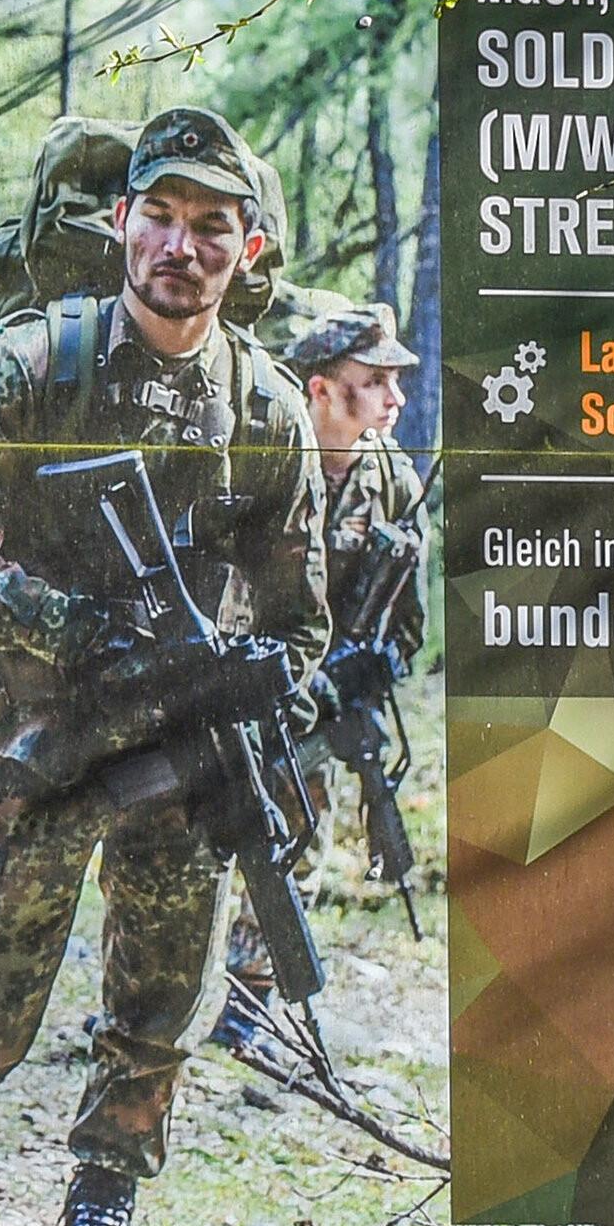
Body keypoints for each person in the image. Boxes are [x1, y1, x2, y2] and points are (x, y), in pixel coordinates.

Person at [0, 106, 322, 1226]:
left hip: (184, 758)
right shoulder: (26, 371)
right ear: (121, 224)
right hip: (45, 738)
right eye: (160, 218)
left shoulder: (270, 412)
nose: (181, 246)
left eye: (210, 227)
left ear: (248, 248)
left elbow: (300, 620)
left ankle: (106, 1185)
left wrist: (270, 691)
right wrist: (78, 632)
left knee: (162, 988)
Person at [214, 296, 423, 1068]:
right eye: (375, 381)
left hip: (320, 703)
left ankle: (252, 998)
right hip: (242, 689)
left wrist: (367, 672)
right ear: (321, 391)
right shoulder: (261, 464)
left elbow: (407, 625)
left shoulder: (393, 482)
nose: (395, 400)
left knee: (296, 840)